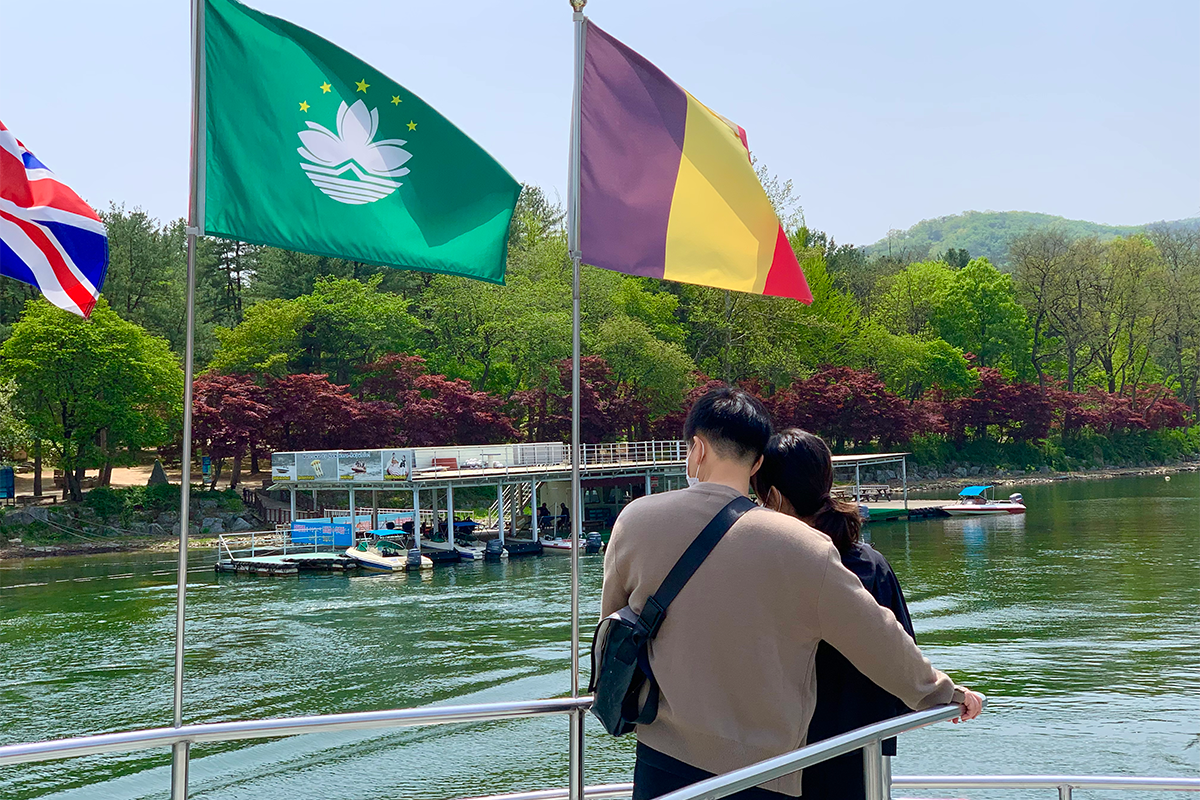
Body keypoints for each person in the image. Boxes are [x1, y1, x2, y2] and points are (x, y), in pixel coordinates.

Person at [602, 387, 982, 800]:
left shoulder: (635, 520)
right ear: (757, 462)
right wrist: (945, 693)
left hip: (661, 757)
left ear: (697, 448)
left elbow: (613, 630)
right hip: (765, 771)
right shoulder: (801, 544)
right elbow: (879, 639)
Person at [753, 429, 916, 800]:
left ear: (773, 498)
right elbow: (904, 665)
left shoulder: (768, 569)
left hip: (783, 762)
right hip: (862, 758)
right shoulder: (870, 565)